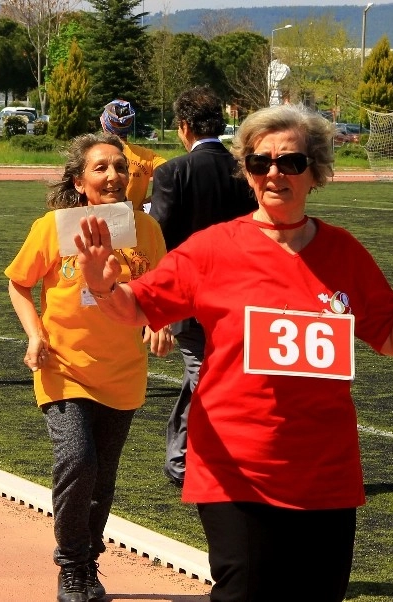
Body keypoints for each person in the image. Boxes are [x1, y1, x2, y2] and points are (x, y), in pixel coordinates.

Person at [74, 104, 393, 601]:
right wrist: (103, 288)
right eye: (260, 163)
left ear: (315, 172)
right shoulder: (211, 249)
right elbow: (135, 309)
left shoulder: (343, 253)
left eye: (291, 162)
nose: (274, 173)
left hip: (325, 472)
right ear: (247, 173)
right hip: (234, 467)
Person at [5, 133, 169, 602]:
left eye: (120, 167)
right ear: (80, 182)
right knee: (78, 460)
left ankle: (88, 560)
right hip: (64, 367)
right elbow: (19, 285)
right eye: (101, 168)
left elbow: (163, 290)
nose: (114, 176)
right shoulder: (55, 227)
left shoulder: (147, 230)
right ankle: (72, 566)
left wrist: (161, 320)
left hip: (123, 374)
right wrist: (36, 335)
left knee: (103, 477)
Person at [149, 86, 257, 487]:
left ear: (183, 127)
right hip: (241, 297)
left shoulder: (172, 172)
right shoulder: (244, 171)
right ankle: (180, 461)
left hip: (190, 298)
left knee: (204, 379)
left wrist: (156, 308)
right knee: (207, 376)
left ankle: (190, 463)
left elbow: (158, 241)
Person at [99, 99, 167, 211]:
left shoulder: (93, 153)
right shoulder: (147, 155)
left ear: (104, 123)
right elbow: (172, 176)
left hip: (99, 220)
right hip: (135, 221)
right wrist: (152, 199)